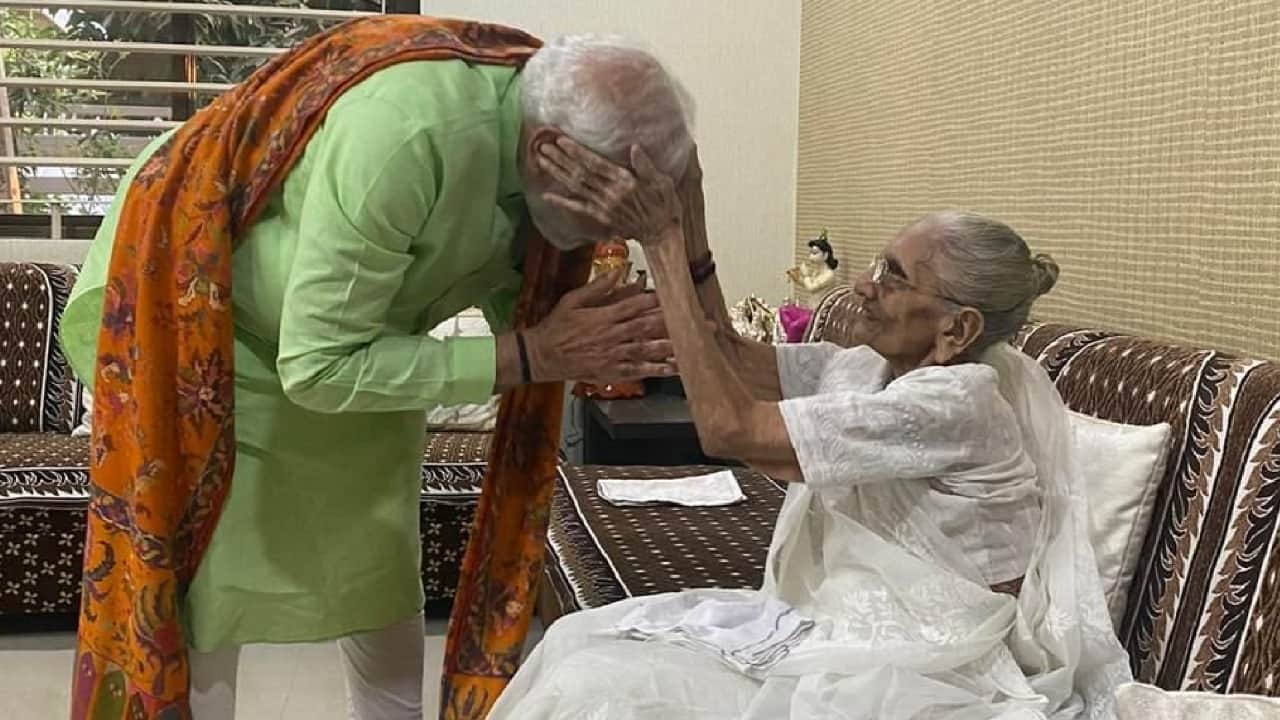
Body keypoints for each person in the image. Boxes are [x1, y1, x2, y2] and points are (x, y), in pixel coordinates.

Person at [59, 17, 694, 720]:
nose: (620, 228)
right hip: (208, 323)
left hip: (360, 335)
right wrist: (533, 354)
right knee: (204, 589)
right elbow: (318, 365)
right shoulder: (408, 136)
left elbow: (505, 289)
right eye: (617, 203)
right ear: (552, 153)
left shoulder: (536, 133)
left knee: (379, 572)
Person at [488, 138, 1134, 719]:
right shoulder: (869, 367)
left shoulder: (958, 401)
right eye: (877, 265)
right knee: (575, 640)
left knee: (595, 688)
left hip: (926, 660)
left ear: (956, 329)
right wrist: (690, 205)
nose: (864, 286)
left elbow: (728, 429)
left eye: (893, 277)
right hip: (844, 622)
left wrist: (659, 243)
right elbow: (728, 355)